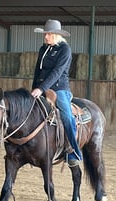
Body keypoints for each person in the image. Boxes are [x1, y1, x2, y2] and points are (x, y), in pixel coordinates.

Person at [31, 19, 82, 167]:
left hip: (59, 88)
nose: (45, 37)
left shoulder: (65, 50)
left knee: (66, 115)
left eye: (48, 34)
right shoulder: (43, 49)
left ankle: (73, 151)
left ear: (56, 35)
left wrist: (41, 88)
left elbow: (57, 72)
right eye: (45, 34)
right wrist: (34, 88)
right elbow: (37, 71)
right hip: (42, 87)